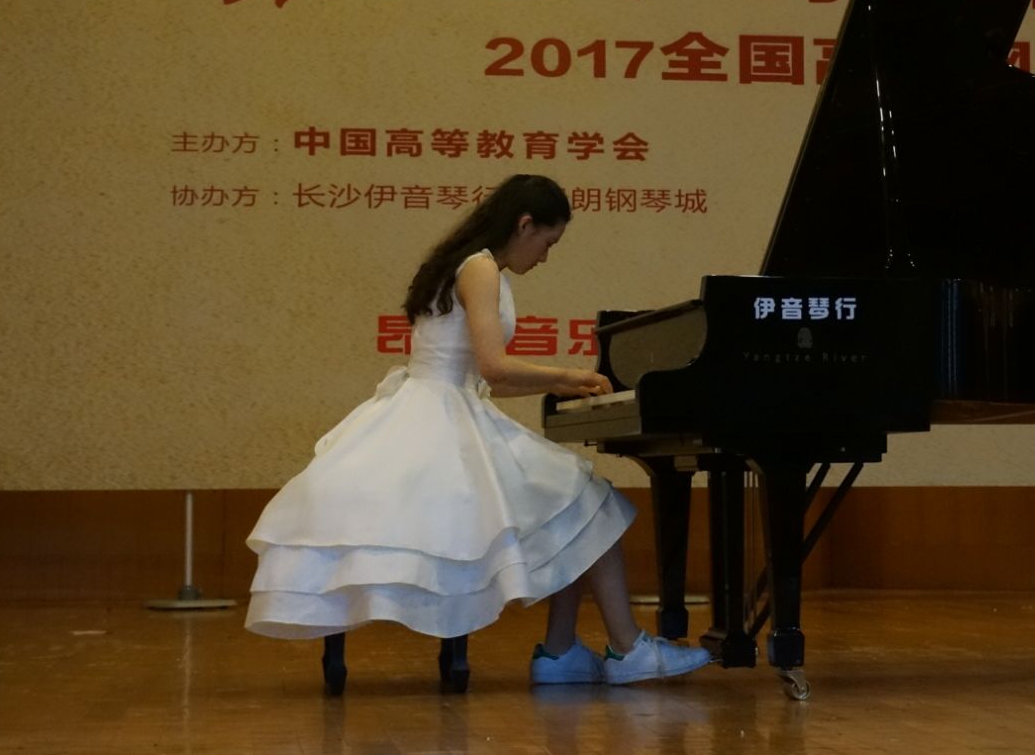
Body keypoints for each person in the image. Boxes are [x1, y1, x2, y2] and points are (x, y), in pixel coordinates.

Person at [244, 174, 710, 686]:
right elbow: (494, 367)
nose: (546, 256)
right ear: (524, 224)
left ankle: (563, 653)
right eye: (548, 242)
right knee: (585, 500)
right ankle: (622, 649)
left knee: (575, 505)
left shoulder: (462, 263)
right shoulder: (481, 268)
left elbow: (482, 377)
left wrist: (562, 384)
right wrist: (567, 376)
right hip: (442, 417)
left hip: (435, 405)